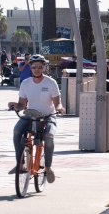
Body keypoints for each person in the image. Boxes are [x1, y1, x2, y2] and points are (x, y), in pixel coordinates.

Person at [7, 54, 65, 184]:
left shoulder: (51, 83)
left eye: (39, 67)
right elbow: (22, 104)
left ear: (43, 67)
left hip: (48, 116)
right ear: (30, 68)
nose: (37, 69)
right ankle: (20, 163)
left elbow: (57, 103)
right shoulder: (26, 83)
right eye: (34, 67)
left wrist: (60, 108)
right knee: (17, 130)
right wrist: (15, 106)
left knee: (49, 137)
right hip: (31, 115)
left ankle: (48, 168)